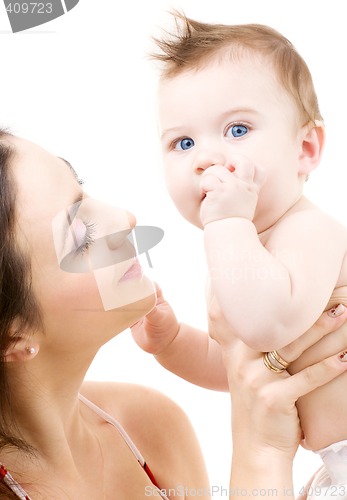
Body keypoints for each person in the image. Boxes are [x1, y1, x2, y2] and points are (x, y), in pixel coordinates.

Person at [0, 129, 346, 498]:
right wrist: (261, 448)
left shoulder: (146, 424)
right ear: (13, 336)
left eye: (81, 188)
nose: (125, 218)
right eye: (82, 235)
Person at [131, 13, 347, 489]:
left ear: (306, 148)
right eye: (183, 142)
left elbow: (268, 325)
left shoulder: (311, 230)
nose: (205, 158)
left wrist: (227, 224)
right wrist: (172, 345)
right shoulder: (237, 256)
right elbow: (241, 369)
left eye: (236, 130)